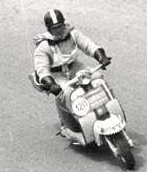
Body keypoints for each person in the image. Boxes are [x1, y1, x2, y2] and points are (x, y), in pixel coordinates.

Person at [32, 9, 111, 140]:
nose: (59, 30)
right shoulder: (43, 46)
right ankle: (72, 127)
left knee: (98, 79)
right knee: (68, 94)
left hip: (75, 67)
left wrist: (101, 57)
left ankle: (108, 111)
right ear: (49, 28)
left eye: (60, 26)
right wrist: (51, 84)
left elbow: (89, 45)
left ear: (64, 24)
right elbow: (42, 69)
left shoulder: (73, 34)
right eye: (55, 28)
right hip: (57, 75)